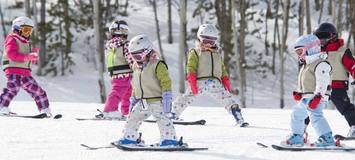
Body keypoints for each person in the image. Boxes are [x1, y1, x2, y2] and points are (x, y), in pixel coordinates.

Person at [171, 24, 248, 127]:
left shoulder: (217, 54)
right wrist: (192, 81)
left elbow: (222, 69)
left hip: (215, 82)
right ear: (199, 38)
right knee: (187, 97)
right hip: (200, 81)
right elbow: (191, 67)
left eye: (211, 41)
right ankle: (173, 113)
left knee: (227, 99)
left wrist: (225, 80)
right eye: (205, 41)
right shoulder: (195, 52)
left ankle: (238, 116)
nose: (208, 44)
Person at [113, 34, 180, 146]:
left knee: (163, 119)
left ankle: (169, 139)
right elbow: (136, 83)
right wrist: (133, 98)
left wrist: (167, 97)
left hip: (157, 101)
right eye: (133, 56)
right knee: (133, 117)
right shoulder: (136, 67)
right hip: (142, 102)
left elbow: (166, 82)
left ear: (147, 51)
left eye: (138, 56)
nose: (135, 59)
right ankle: (130, 138)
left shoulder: (158, 65)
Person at [285, 34, 335, 147]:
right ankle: (297, 136)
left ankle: (327, 138)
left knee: (315, 115)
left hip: (317, 97)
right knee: (297, 114)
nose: (299, 55)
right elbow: (306, 82)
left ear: (311, 48)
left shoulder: (321, 63)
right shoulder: (306, 65)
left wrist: (318, 97)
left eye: (300, 51)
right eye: (297, 52)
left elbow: (322, 82)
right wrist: (299, 92)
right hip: (307, 97)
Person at [0, 16, 51, 117]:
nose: (28, 33)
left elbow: (27, 60)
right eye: (26, 30)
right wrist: (27, 56)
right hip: (13, 69)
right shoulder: (12, 39)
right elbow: (11, 54)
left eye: (30, 31)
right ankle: (2, 107)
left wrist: (33, 56)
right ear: (17, 28)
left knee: (37, 90)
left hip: (25, 72)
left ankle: (45, 110)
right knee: (13, 88)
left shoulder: (26, 43)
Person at [312, 22, 355, 137]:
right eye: (318, 37)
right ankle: (299, 133)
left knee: (345, 107)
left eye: (322, 37)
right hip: (321, 87)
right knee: (310, 106)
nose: (320, 40)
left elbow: (352, 65)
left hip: (337, 85)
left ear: (331, 36)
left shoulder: (342, 51)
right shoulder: (318, 52)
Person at [95, 20, 134, 119]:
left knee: (127, 92)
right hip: (123, 73)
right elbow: (129, 57)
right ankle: (110, 110)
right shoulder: (125, 45)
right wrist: (136, 66)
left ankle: (126, 111)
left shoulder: (109, 45)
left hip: (114, 74)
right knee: (118, 92)